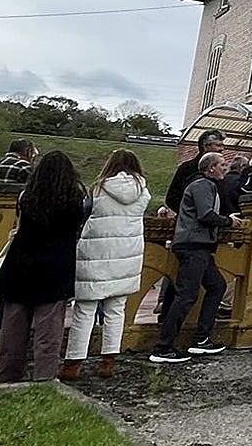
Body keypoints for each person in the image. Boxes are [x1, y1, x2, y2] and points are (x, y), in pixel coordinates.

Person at [60, 150, 152, 381]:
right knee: (116, 310)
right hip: (126, 257)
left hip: (96, 255)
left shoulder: (99, 188)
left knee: (84, 310)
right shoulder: (143, 192)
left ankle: (73, 363)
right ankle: (108, 361)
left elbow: (83, 213)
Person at [0, 151, 86, 382]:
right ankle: (44, 382)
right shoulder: (74, 201)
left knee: (12, 334)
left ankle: (6, 379)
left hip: (20, 268)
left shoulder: (26, 197)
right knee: (48, 336)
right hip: (54, 271)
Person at [150, 152, 242, 364]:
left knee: (217, 286)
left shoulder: (205, 185)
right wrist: (228, 221)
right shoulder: (202, 185)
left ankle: (201, 339)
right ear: (211, 168)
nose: (225, 168)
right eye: (222, 165)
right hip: (193, 245)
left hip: (199, 246)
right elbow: (205, 214)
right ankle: (163, 347)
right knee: (186, 295)